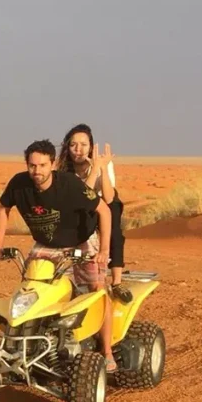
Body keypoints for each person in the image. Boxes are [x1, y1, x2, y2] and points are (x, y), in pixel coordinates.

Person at [0, 140, 117, 372]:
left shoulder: (69, 184)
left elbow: (104, 210)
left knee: (98, 291)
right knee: (31, 289)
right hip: (46, 244)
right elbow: (3, 209)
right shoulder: (19, 184)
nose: (36, 171)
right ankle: (26, 346)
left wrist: (104, 251)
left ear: (52, 164)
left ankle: (107, 352)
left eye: (42, 165)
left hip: (81, 241)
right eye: (32, 165)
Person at [57, 123, 132, 303]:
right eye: (74, 144)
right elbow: (82, 198)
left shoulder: (103, 163)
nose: (78, 150)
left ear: (91, 147)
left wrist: (102, 168)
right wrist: (94, 171)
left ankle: (116, 281)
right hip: (80, 206)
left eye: (83, 145)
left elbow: (108, 197)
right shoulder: (63, 170)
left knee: (113, 219)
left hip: (102, 204)